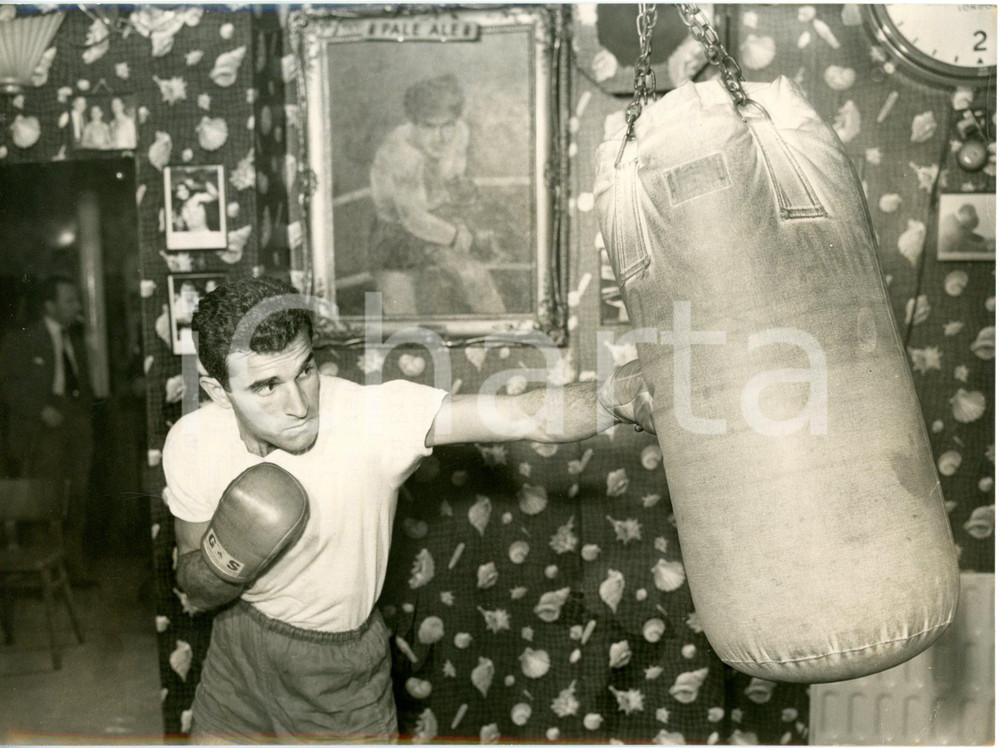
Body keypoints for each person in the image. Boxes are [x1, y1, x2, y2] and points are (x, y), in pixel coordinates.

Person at [163, 276, 654, 741]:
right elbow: (195, 584)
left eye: (305, 370)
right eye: (267, 386)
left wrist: (613, 399)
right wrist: (225, 556)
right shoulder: (192, 441)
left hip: (334, 671)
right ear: (217, 391)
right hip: (236, 651)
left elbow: (522, 416)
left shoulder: (371, 418)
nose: (298, 404)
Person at [369, 74, 506, 316]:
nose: (440, 137)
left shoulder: (460, 132)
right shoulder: (401, 154)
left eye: (446, 125)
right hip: (396, 234)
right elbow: (413, 219)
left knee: (478, 282)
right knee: (401, 319)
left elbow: (453, 179)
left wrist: (460, 199)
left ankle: (510, 339)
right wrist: (459, 236)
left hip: (439, 219)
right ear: (414, 123)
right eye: (429, 126)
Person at [0, 276, 95, 585]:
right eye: (69, 301)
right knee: (46, 499)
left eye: (76, 300)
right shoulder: (22, 338)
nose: (76, 306)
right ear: (49, 305)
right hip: (41, 430)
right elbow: (7, 387)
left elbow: (82, 384)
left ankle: (74, 570)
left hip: (75, 423)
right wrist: (40, 409)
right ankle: (46, 573)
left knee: (77, 497)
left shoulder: (75, 339)